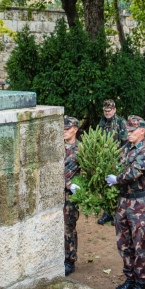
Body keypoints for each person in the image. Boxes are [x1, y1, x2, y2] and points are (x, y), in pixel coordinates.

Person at [106, 116, 145, 289]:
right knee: (124, 242)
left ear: (142, 131)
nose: (129, 133)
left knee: (140, 244)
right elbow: (116, 164)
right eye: (127, 130)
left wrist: (117, 179)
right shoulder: (126, 147)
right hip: (123, 201)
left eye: (132, 130)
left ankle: (141, 283)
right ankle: (130, 277)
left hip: (139, 204)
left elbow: (132, 173)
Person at [98, 99, 129, 225]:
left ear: (114, 110)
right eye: (105, 110)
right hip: (105, 160)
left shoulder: (121, 122)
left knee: (118, 187)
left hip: (118, 160)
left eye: (109, 110)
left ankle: (118, 214)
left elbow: (126, 143)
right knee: (106, 186)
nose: (107, 112)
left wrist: (120, 161)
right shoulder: (102, 122)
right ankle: (107, 213)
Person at [63, 116, 81, 276]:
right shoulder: (56, 147)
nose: (64, 132)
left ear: (75, 129)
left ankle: (70, 260)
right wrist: (67, 184)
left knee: (69, 228)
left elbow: (86, 172)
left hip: (70, 198)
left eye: (67, 129)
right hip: (56, 195)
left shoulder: (81, 149)